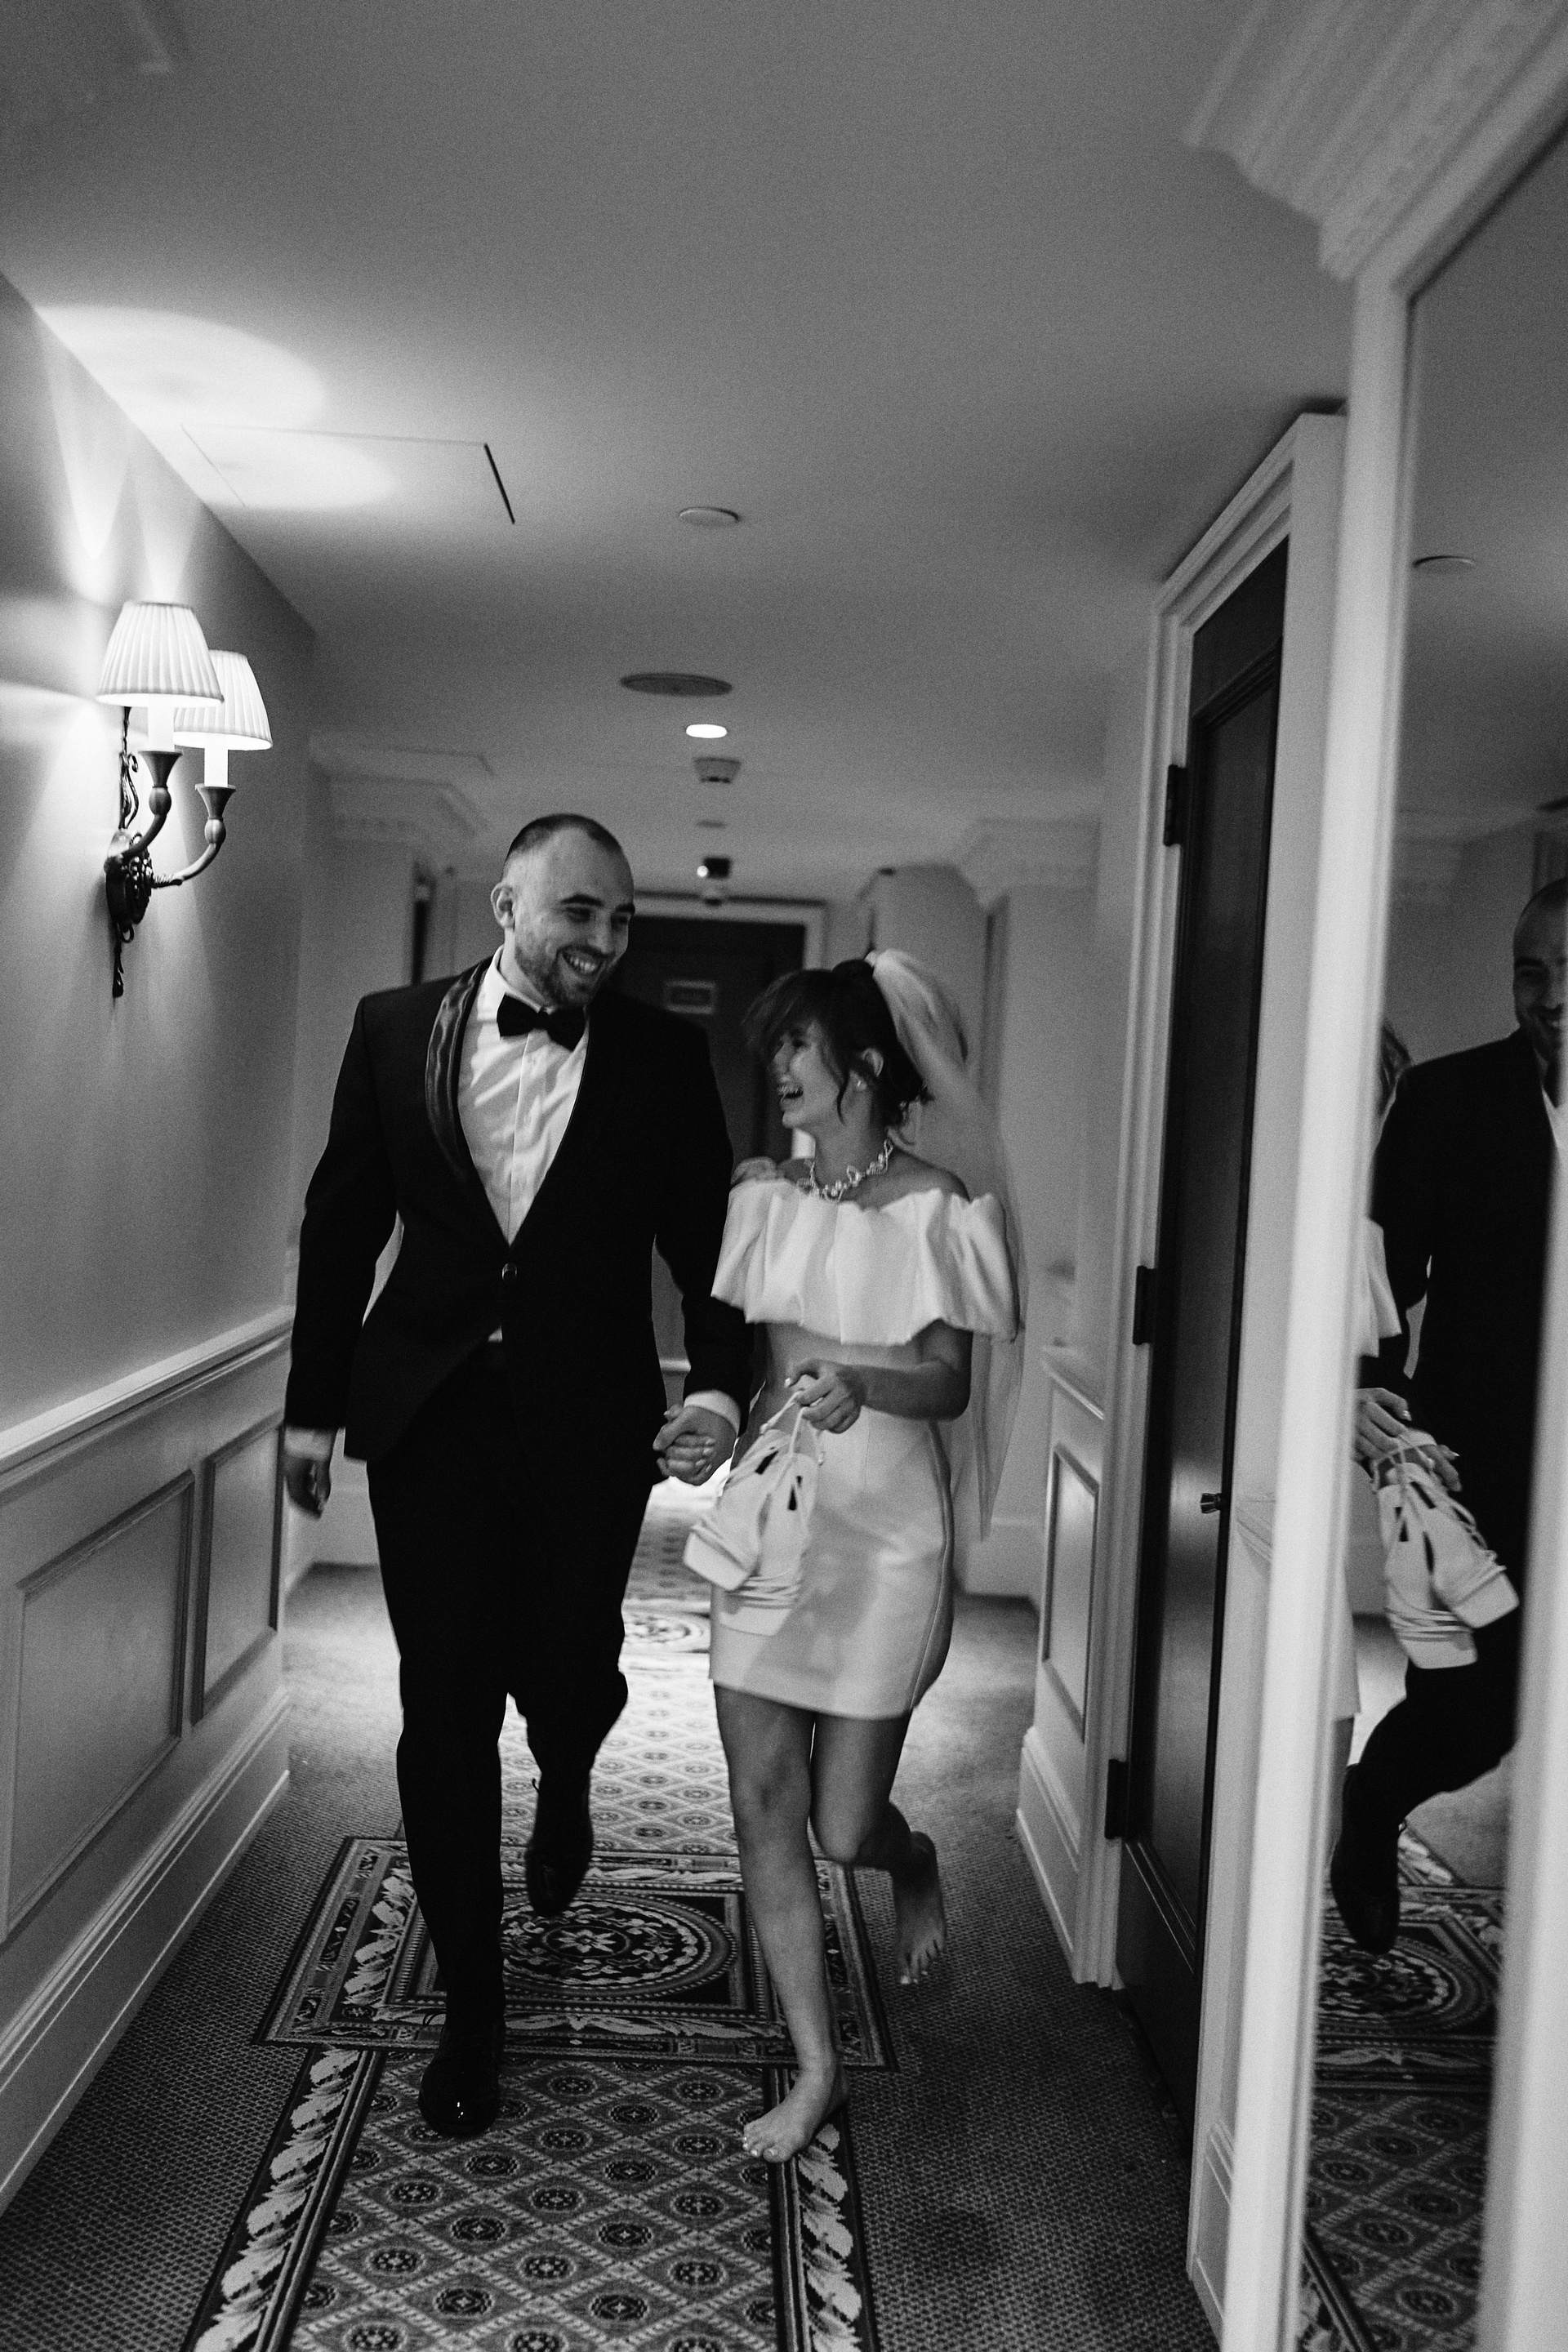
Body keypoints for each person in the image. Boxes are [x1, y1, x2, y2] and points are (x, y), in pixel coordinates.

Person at [282, 814, 751, 2137]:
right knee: (441, 1707)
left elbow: (709, 1244)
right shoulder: (391, 1030)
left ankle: (569, 1767)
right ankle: (473, 2017)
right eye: (579, 912)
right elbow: (341, 1224)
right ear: (506, 907)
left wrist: (719, 1388)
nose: (604, 939)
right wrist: (312, 1409)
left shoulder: (663, 1057)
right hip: (429, 1419)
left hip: (589, 1424)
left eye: (622, 918)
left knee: (569, 1669)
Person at [668, 954, 1022, 2163]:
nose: (777, 1066)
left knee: (844, 1825)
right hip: (777, 1520)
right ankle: (815, 2067)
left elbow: (949, 1381)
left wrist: (864, 1382)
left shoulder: (941, 1206)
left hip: (889, 1540)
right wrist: (712, 1423)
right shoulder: (762, 1195)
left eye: (796, 1046)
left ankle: (909, 1858)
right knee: (761, 1802)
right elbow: (745, 1359)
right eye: (774, 1045)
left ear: (864, 1066)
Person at [1330, 878, 1566, 1951]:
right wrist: (1368, 1401)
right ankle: (1374, 1803)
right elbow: (1378, 1276)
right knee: (1471, 1711)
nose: (1551, 996)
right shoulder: (1449, 1099)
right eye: (1531, 971)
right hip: (1471, 1467)